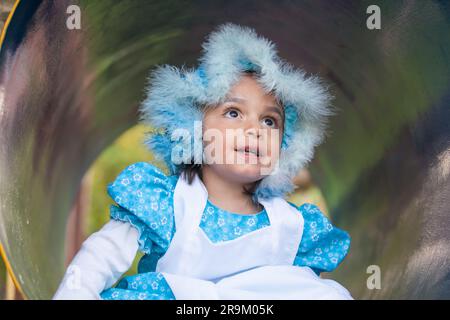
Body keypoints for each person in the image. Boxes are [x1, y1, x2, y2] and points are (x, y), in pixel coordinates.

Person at [53, 23, 352, 300]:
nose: (255, 130)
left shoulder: (292, 226)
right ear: (194, 128)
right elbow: (100, 258)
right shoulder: (165, 203)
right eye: (233, 113)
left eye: (270, 121)